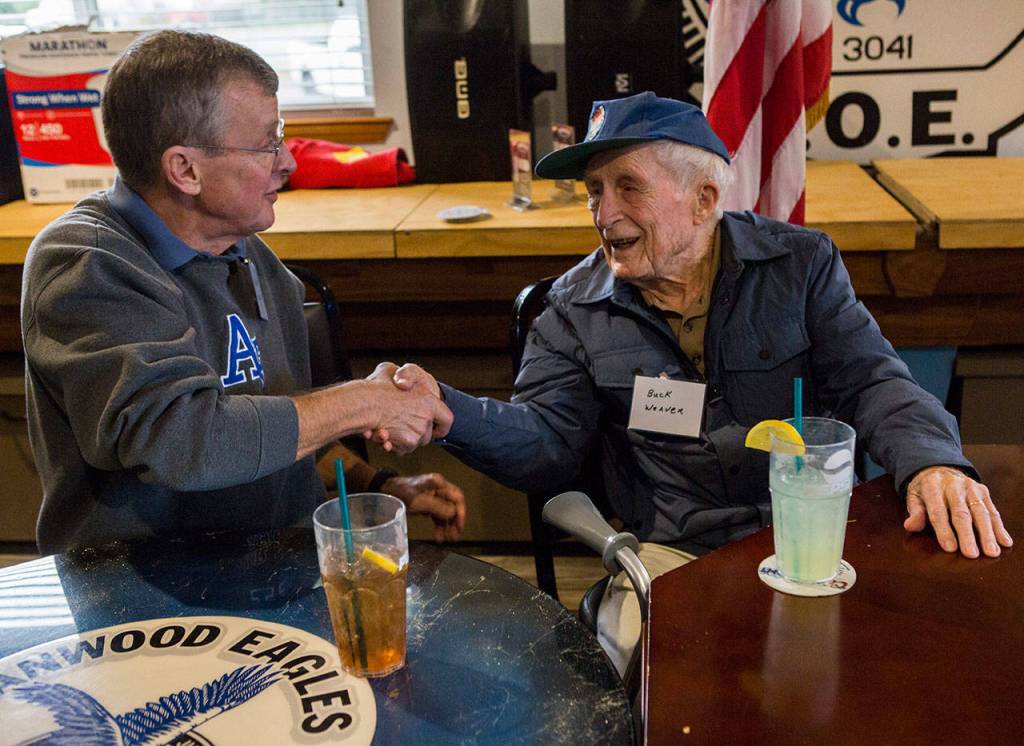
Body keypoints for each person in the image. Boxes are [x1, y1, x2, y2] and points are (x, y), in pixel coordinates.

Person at [393, 92, 1013, 672]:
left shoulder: (800, 267)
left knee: (908, 658)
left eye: (628, 187)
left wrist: (933, 463)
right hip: (675, 555)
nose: (603, 214)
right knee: (648, 673)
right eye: (594, 191)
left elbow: (874, 382)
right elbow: (546, 442)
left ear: (705, 199)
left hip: (815, 540)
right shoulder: (570, 312)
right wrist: (449, 411)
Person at [20, 30, 463, 554]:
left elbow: (278, 425)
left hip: (275, 569)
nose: (289, 162)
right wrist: (362, 402)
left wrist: (380, 483)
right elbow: (183, 441)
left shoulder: (251, 256)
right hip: (148, 603)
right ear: (184, 169)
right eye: (266, 144)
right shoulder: (89, 264)